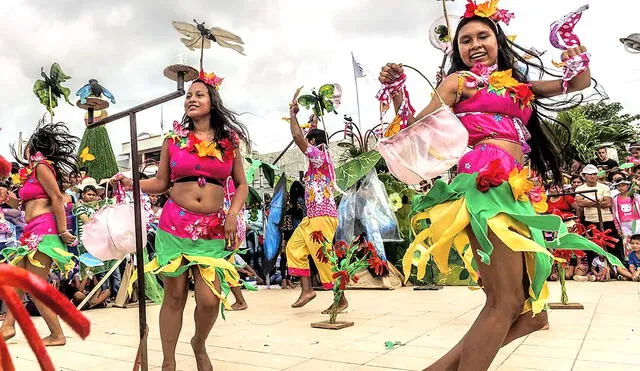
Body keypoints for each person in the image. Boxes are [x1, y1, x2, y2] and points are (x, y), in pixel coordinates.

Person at [378, 3, 622, 369]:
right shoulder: (457, 83)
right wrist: (398, 92)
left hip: (517, 190)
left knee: (532, 313)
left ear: (497, 40)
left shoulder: (518, 86)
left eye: (482, 36)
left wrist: (574, 53)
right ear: (456, 49)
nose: (474, 44)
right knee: (505, 303)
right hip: (484, 186)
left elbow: (578, 83)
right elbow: (418, 126)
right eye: (464, 40)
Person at [112, 70, 249, 371]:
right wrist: (130, 181)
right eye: (188, 95)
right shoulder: (172, 140)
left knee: (209, 299)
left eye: (199, 94)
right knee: (174, 296)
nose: (191, 99)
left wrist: (232, 214)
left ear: (212, 101)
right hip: (174, 226)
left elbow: (241, 185)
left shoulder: (230, 142)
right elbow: (161, 182)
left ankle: (199, 342)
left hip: (213, 230)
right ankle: (168, 361)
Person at [0, 121, 79, 346]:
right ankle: (7, 326)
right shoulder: (31, 173)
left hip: (45, 230)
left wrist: (63, 231)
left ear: (35, 147)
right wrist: (7, 198)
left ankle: (57, 334)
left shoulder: (42, 166)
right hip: (31, 230)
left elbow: (56, 199)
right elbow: (27, 204)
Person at [286, 103, 347, 313]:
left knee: (323, 258)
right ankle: (307, 291)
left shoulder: (320, 156)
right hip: (312, 217)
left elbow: (297, 138)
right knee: (293, 248)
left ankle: (340, 299)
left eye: (309, 139)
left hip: (322, 216)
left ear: (313, 143)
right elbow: (305, 138)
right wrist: (313, 123)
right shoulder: (320, 157)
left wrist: (292, 115)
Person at [575, 164, 625, 264]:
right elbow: (580, 203)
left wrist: (588, 202)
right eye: (589, 174)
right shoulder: (579, 189)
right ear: (584, 176)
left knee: (613, 244)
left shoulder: (604, 187)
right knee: (592, 246)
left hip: (607, 219)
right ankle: (595, 268)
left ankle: (618, 266)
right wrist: (598, 201)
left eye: (594, 174)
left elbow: (607, 203)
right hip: (590, 220)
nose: (592, 176)